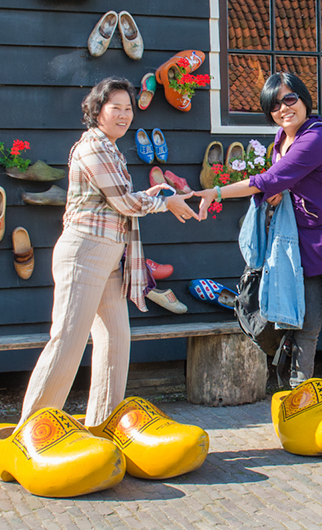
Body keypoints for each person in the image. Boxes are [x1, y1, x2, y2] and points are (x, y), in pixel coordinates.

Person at [22, 76, 202, 426]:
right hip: (84, 252)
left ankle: (101, 426)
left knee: (116, 341)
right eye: (115, 107)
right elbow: (122, 201)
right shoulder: (92, 147)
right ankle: (32, 431)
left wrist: (163, 195)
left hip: (109, 255)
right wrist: (165, 203)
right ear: (97, 111)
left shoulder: (111, 149)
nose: (124, 114)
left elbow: (125, 201)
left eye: (128, 108)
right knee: (68, 342)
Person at [191, 72, 322, 386]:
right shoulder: (281, 140)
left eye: (290, 99)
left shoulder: (315, 138)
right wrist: (280, 194)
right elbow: (281, 183)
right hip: (303, 243)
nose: (283, 108)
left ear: (304, 100)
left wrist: (216, 192)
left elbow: (269, 180)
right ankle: (300, 389)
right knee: (305, 324)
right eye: (275, 105)